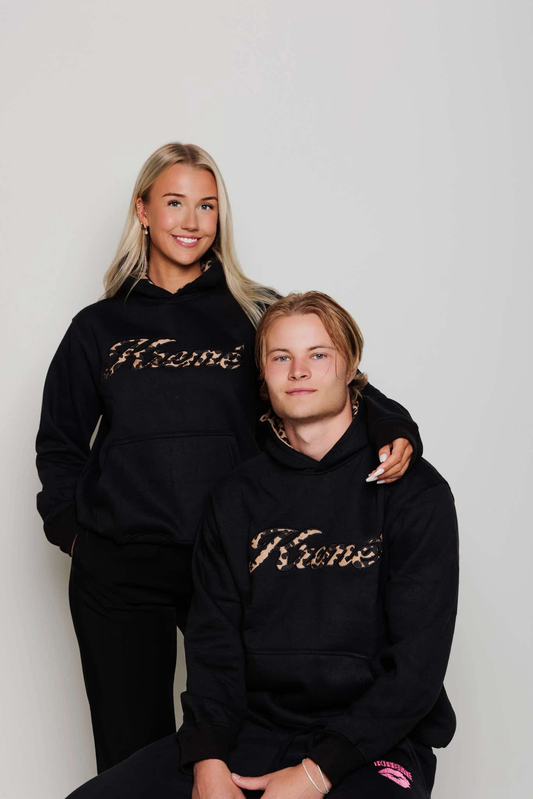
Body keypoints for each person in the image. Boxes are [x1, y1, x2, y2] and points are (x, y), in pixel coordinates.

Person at [36, 143, 421, 773]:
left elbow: (338, 378)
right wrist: (73, 532)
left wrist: (397, 429)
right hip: (122, 568)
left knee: (245, 746)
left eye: (207, 205)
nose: (192, 221)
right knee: (132, 759)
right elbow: (59, 442)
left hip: (235, 561)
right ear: (143, 211)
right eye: (175, 203)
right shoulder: (97, 328)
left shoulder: (254, 312)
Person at [67, 291, 458, 799]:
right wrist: (208, 760)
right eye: (280, 357)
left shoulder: (414, 492)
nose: (299, 371)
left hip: (373, 743)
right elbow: (213, 648)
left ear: (351, 366)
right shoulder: (236, 496)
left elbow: (416, 671)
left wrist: (316, 773)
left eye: (318, 354)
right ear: (262, 376)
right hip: (251, 733)